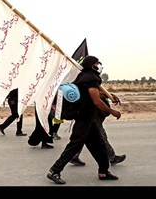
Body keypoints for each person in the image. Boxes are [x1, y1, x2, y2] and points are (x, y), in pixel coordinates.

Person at [47, 55, 121, 184]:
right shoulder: (90, 78)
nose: (99, 66)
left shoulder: (83, 76)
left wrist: (109, 95)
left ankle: (103, 171)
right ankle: (54, 171)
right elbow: (96, 101)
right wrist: (112, 111)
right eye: (97, 63)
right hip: (84, 118)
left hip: (88, 119)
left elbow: (90, 93)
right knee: (74, 146)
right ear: (92, 64)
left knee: (100, 145)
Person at [69, 93, 126, 167]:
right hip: (91, 115)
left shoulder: (92, 83)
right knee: (101, 137)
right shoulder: (90, 82)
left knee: (84, 137)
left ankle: (73, 156)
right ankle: (111, 158)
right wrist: (111, 111)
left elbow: (97, 93)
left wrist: (109, 95)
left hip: (91, 115)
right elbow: (95, 97)